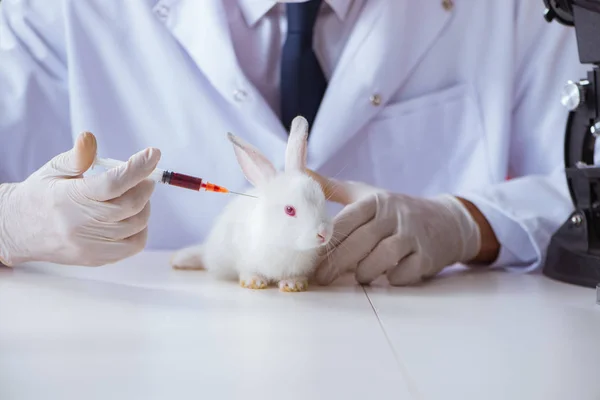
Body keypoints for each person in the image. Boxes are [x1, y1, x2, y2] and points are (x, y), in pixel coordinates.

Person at [0, 0, 587, 285]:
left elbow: (586, 181)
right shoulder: (52, 12)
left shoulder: (514, 9)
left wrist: (469, 224)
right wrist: (11, 222)